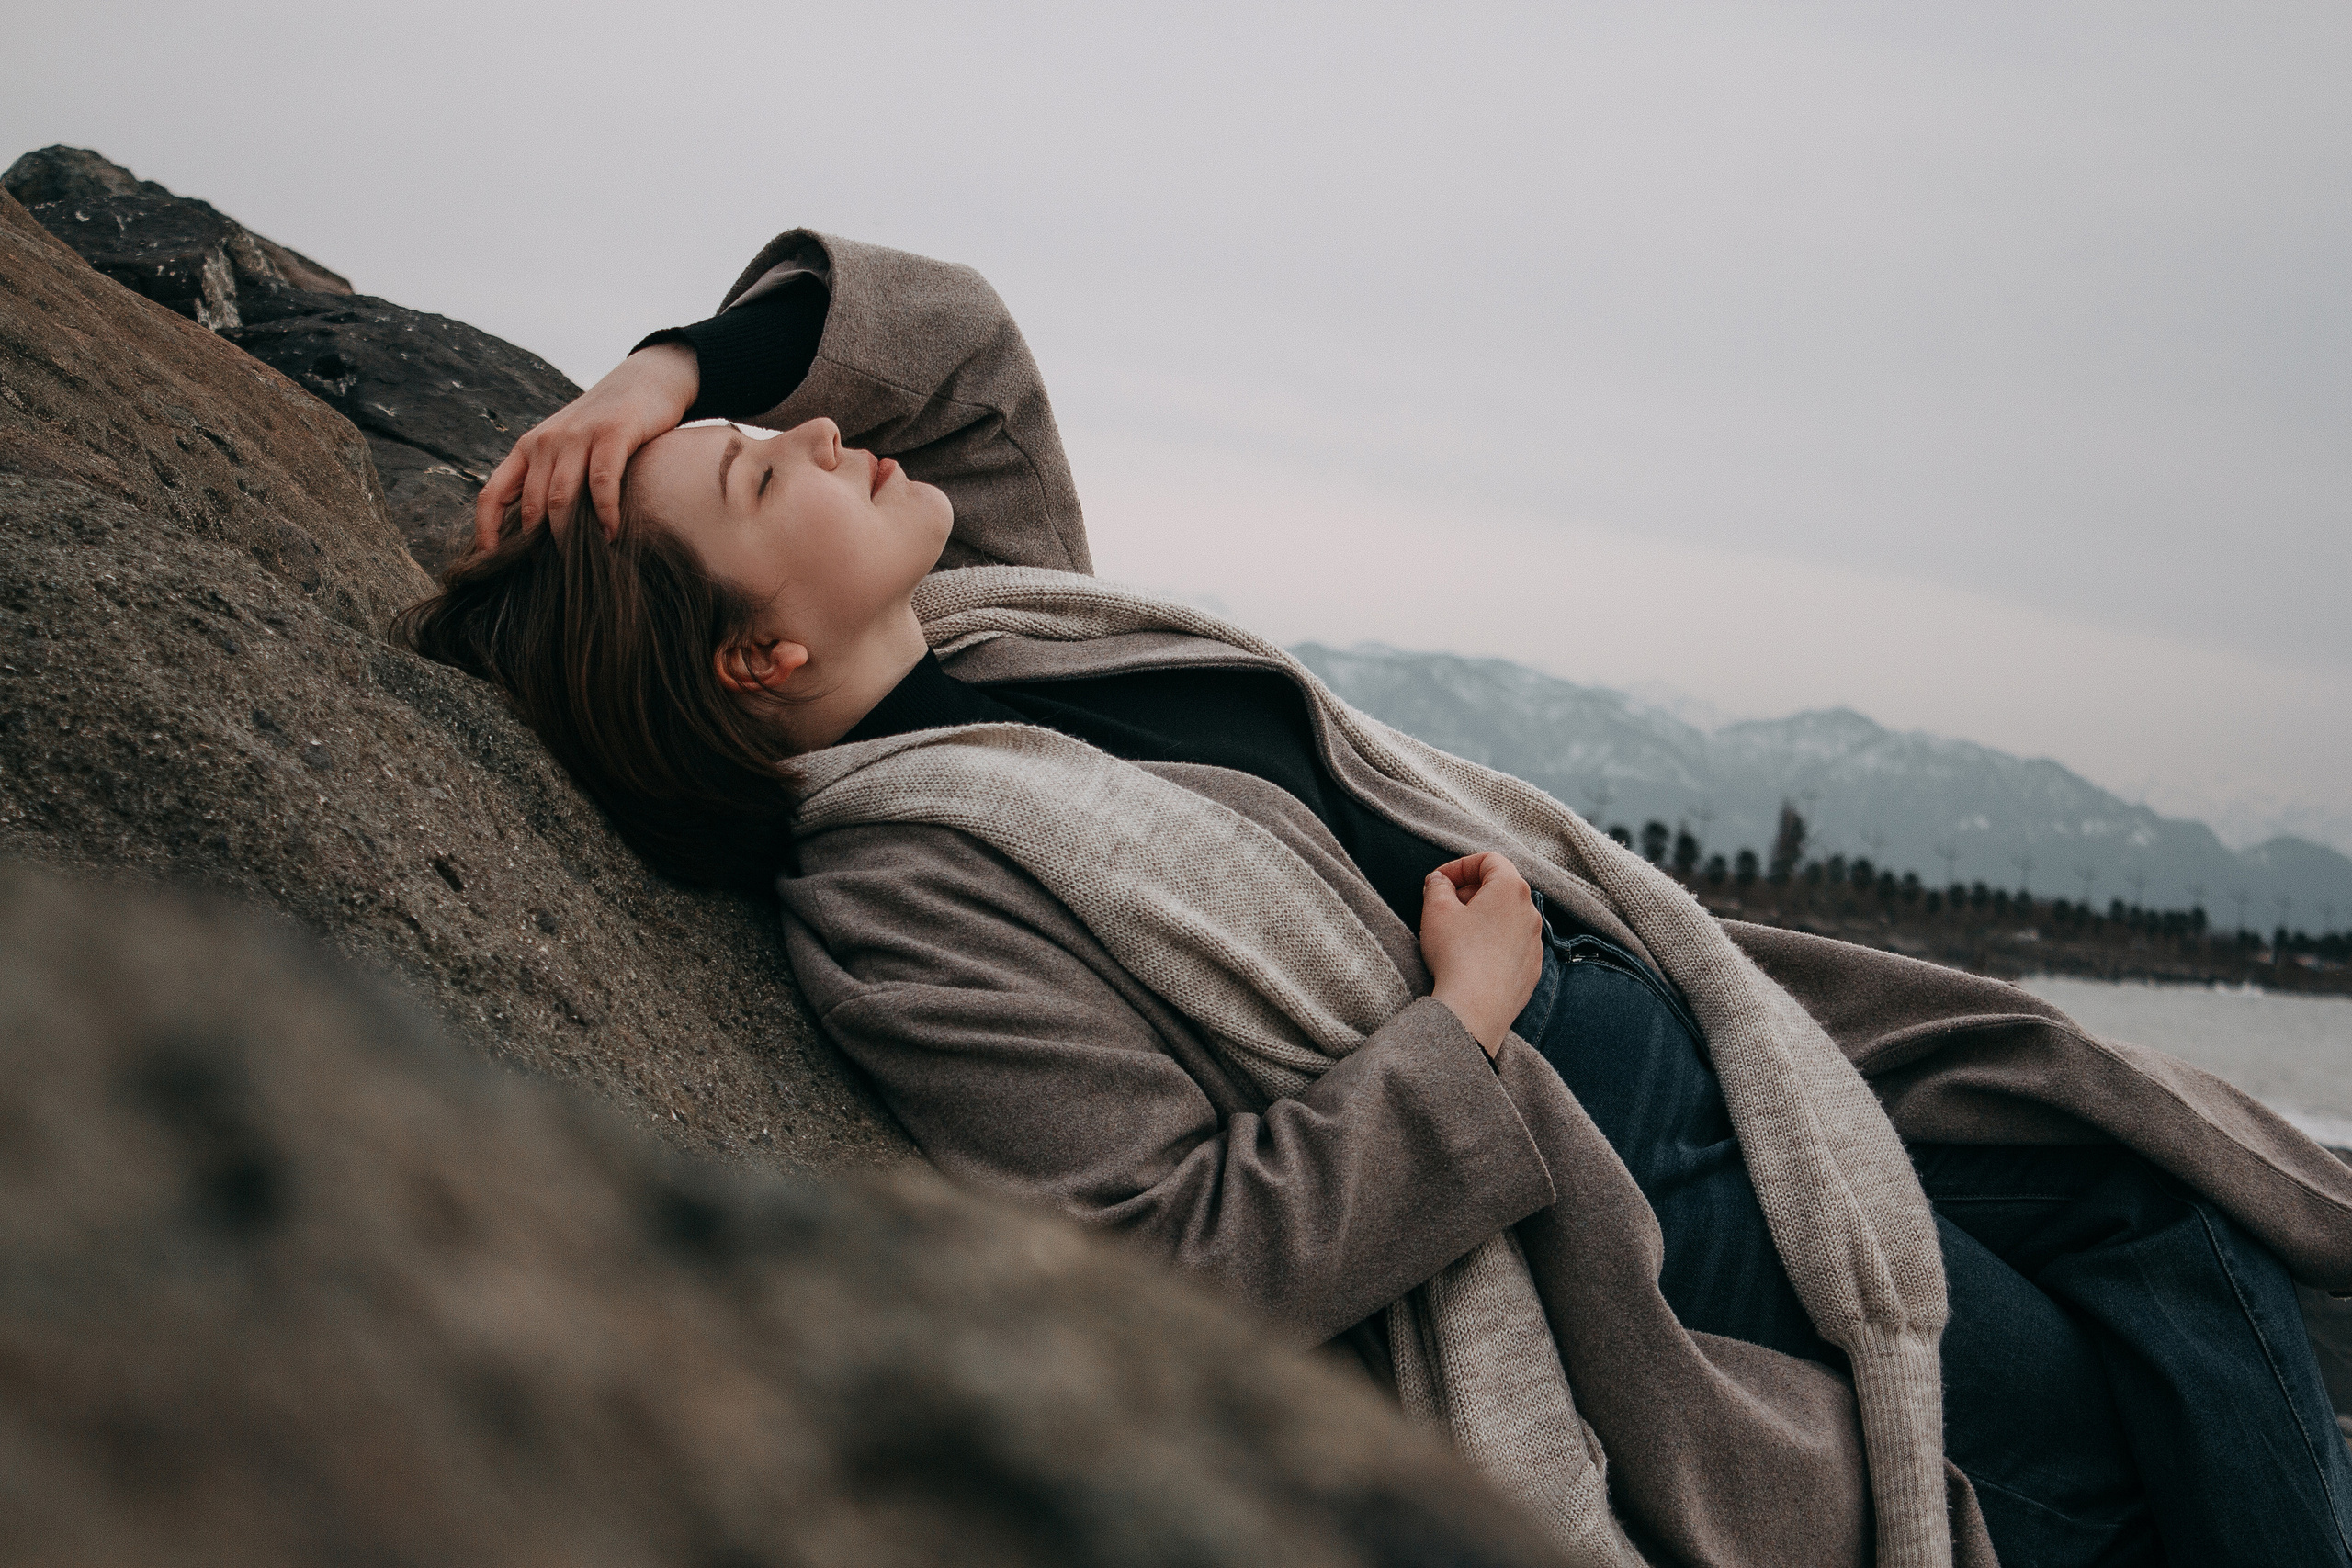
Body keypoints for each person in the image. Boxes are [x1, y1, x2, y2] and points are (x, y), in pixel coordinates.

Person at [406, 230, 2352, 1568]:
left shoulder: (990, 622)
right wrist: (1463, 1031)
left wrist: (676, 371)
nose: (831, 436)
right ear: (751, 663)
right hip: (1626, 1188)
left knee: (2155, 1192)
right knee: (2097, 1447)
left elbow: (960, 347)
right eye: (767, 476)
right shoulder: (903, 879)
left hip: (1707, 1026)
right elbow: (1157, 1258)